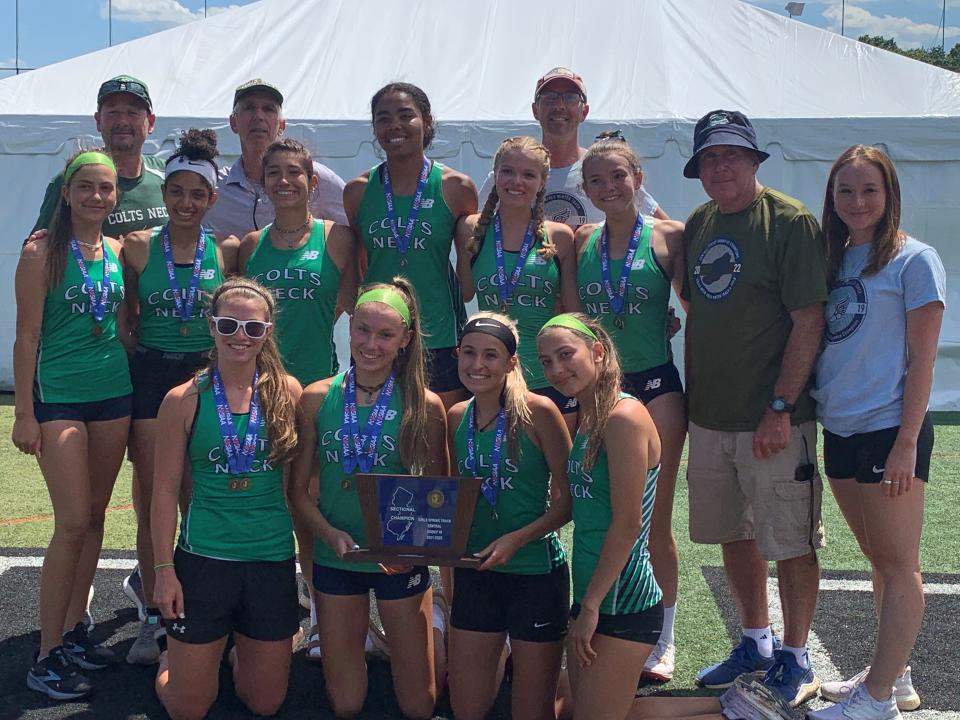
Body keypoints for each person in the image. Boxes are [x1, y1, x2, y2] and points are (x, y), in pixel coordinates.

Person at [681, 110, 827, 708]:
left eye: (731, 155)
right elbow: (695, 302)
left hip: (772, 419)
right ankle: (755, 640)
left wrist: (780, 407)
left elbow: (808, 320)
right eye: (709, 158)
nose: (721, 167)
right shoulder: (700, 221)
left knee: (790, 539)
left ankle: (794, 655)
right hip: (710, 415)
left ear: (754, 159)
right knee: (733, 534)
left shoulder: (791, 223)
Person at [807, 146, 945, 720]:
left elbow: (923, 361)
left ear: (889, 195)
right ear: (832, 197)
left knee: (897, 564)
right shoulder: (832, 258)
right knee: (876, 557)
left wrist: (906, 444)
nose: (857, 202)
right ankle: (896, 674)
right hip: (839, 429)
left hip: (889, 430)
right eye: (846, 191)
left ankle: (880, 698)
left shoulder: (915, 260)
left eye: (869, 191)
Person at [290, 279, 448, 719]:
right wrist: (329, 534)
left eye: (385, 335)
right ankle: (373, 637)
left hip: (397, 559)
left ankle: (434, 623)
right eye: (362, 330)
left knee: (419, 707)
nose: (371, 344)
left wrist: (412, 549)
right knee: (346, 705)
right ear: (350, 327)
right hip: (337, 557)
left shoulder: (423, 404)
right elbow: (298, 493)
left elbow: (439, 497)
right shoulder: (317, 397)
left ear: (405, 340)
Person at [151, 277, 302, 719]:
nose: (241, 336)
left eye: (253, 329)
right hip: (204, 559)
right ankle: (171, 664)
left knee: (265, 703)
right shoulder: (182, 399)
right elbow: (162, 492)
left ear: (267, 333)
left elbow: (297, 490)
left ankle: (231, 650)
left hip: (269, 558)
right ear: (212, 327)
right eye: (229, 325)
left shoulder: (287, 393)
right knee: (189, 709)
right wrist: (164, 572)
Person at [14, 150, 130, 699]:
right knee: (72, 521)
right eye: (86, 187)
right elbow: (26, 337)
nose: (96, 197)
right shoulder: (42, 251)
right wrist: (23, 411)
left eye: (106, 189)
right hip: (60, 399)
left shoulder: (117, 249)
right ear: (67, 192)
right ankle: (46, 652)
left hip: (114, 396)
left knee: (98, 518)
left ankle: (74, 632)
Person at [238, 136, 357, 657]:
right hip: (258, 394)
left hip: (314, 393)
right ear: (262, 185)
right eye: (273, 174)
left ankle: (319, 616)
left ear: (313, 181)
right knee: (265, 506)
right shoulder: (248, 246)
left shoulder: (338, 238)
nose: (284, 181)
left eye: (294, 173)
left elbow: (346, 303)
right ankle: (268, 616)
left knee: (308, 505)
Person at [576, 136, 687, 681]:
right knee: (600, 513)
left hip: (657, 387)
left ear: (638, 178)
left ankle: (663, 637)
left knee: (653, 520)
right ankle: (604, 613)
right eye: (596, 180)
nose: (608, 187)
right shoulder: (580, 240)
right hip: (598, 397)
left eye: (617, 176)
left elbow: (698, 309)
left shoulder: (670, 236)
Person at [120, 128, 230, 665]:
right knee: (151, 494)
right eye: (176, 192)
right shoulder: (137, 247)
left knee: (198, 492)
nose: (185, 203)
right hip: (152, 375)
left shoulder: (227, 251)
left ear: (212, 198)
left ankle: (199, 602)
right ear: (164, 196)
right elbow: (125, 321)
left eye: (197, 194)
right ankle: (150, 616)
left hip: (205, 377)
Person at [536, 313, 663, 720]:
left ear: (598, 351)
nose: (557, 369)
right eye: (546, 362)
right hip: (590, 593)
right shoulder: (589, 415)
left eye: (565, 355)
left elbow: (627, 523)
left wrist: (590, 607)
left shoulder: (624, 417)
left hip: (622, 601)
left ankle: (730, 708)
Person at [446, 312, 572, 720]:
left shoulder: (540, 412)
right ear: (457, 354)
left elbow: (569, 501)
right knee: (466, 710)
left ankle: (571, 686)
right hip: (476, 572)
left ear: (511, 362)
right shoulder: (455, 417)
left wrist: (517, 539)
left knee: (532, 714)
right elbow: (452, 499)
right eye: (469, 353)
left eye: (491, 355)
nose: (477, 365)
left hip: (534, 573)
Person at [344, 81, 478, 410]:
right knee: (375, 431)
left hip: (440, 335)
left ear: (427, 121)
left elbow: (467, 280)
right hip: (377, 336)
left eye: (406, 115)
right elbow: (361, 264)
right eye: (384, 118)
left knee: (440, 436)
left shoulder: (455, 187)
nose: (395, 126)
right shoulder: (358, 191)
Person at [454, 136, 580, 431]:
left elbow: (574, 315)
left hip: (551, 376)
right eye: (508, 171)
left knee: (560, 472)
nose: (516, 181)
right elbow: (465, 291)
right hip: (491, 377)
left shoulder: (559, 236)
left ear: (541, 182)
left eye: (528, 174)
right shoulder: (470, 230)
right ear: (495, 175)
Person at [478, 68, 668, 229]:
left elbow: (662, 227)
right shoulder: (510, 176)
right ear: (535, 110)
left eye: (570, 98)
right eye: (550, 98)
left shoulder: (603, 170)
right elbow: (474, 232)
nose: (559, 106)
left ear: (584, 111)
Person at [203, 78, 348, 239]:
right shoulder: (214, 186)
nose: (258, 116)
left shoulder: (316, 177)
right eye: (249, 108)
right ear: (233, 122)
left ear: (282, 125)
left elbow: (356, 233)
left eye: (268, 109)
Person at [33, 75, 166, 238]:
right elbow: (37, 251)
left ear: (150, 122)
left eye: (132, 113)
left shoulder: (169, 175)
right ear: (98, 121)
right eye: (112, 112)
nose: (122, 121)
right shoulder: (72, 179)